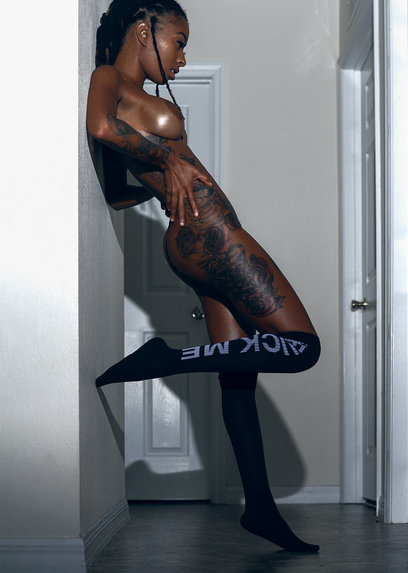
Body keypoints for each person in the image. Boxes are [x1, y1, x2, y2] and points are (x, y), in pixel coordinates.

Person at [87, 0, 321, 553]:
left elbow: (119, 192)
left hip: (196, 237)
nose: (183, 57)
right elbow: (99, 126)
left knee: (238, 378)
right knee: (302, 348)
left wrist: (161, 178)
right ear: (142, 30)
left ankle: (260, 510)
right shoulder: (108, 80)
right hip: (210, 236)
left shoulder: (137, 95)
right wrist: (168, 162)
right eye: (178, 41)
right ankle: (166, 360)